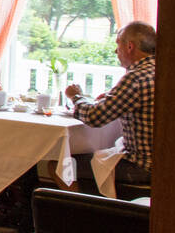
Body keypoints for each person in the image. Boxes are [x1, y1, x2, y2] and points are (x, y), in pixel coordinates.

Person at [65, 21, 156, 191]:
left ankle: (81, 212)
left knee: (62, 166)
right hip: (161, 163)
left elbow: (95, 117)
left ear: (130, 47)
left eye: (118, 44)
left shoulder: (135, 78)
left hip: (140, 166)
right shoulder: (158, 70)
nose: (116, 51)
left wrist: (75, 97)